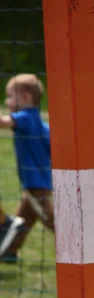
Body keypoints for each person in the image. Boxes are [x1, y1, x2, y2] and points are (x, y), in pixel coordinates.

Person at [0, 73, 54, 262]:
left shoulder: (25, 117)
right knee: (23, 219)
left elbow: (4, 122)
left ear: (25, 97)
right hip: (39, 180)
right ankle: (10, 250)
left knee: (50, 218)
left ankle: (79, 243)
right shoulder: (40, 123)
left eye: (11, 96)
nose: (8, 101)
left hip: (35, 181)